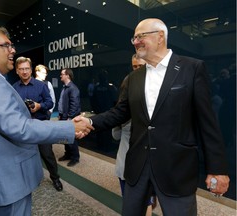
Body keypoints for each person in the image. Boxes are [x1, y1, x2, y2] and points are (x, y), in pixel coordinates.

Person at [84, 18, 230, 215]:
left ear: (160, 36)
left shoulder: (192, 68)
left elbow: (207, 122)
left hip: (176, 168)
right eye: (134, 38)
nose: (135, 42)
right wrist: (90, 121)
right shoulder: (134, 77)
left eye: (140, 36)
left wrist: (218, 168)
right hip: (138, 167)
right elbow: (119, 113)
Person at [0, 25, 93, 216]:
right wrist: (70, 127)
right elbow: (20, 128)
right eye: (6, 45)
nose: (12, 50)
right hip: (6, 179)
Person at [112, 55, 156, 216]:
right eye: (134, 66)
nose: (137, 70)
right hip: (130, 164)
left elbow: (116, 134)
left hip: (144, 164)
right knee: (143, 203)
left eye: (140, 66)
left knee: (142, 203)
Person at [13, 58, 63, 192]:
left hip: (41, 125)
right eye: (21, 69)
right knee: (25, 154)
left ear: (31, 70)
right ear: (17, 71)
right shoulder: (14, 88)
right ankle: (29, 179)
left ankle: (55, 178)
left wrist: (39, 106)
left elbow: (50, 103)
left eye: (27, 68)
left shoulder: (41, 86)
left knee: (47, 154)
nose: (24, 71)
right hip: (23, 127)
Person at [58, 68, 81, 167]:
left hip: (69, 118)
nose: (60, 76)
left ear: (67, 75)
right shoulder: (65, 87)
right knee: (64, 137)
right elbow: (63, 103)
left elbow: (74, 104)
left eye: (62, 74)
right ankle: (67, 154)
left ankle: (75, 158)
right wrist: (61, 114)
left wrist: (70, 117)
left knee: (71, 138)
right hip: (64, 116)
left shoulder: (73, 88)